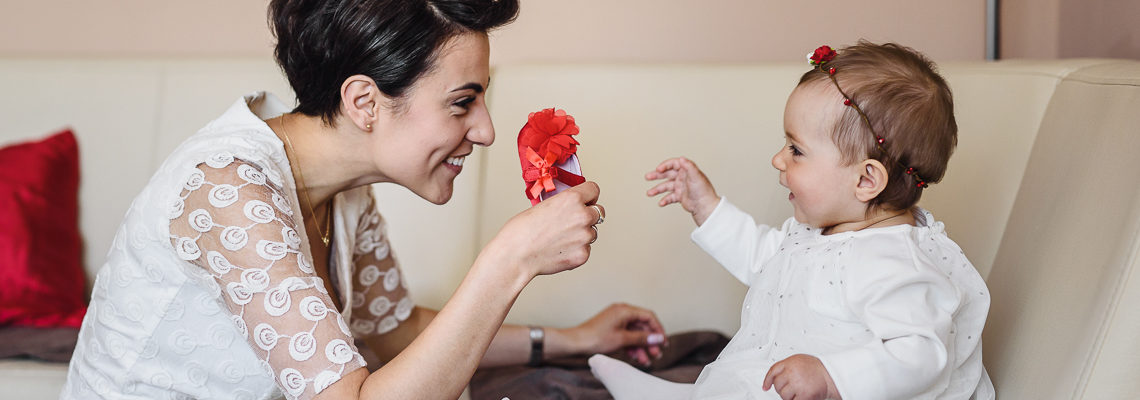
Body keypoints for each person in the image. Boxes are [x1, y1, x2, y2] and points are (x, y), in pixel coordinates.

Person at [62, 1, 666, 399]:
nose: (484, 130)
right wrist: (510, 259)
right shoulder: (229, 190)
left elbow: (394, 334)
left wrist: (573, 339)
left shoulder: (339, 187)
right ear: (364, 102)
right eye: (462, 102)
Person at [588, 42, 994, 399]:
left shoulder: (894, 261)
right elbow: (764, 259)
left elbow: (922, 354)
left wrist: (832, 376)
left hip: (838, 394)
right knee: (744, 384)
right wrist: (705, 205)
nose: (778, 159)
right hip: (782, 379)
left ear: (866, 179)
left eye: (796, 150)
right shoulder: (820, 234)